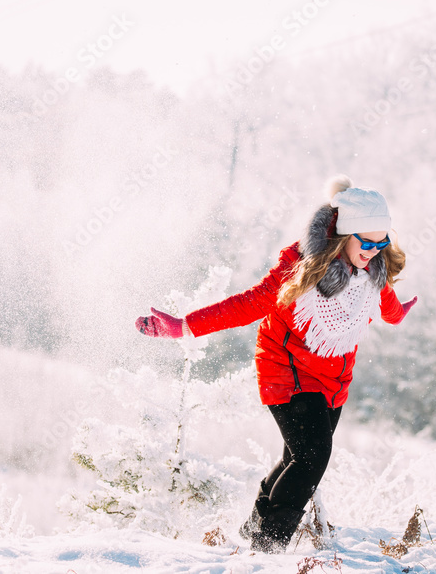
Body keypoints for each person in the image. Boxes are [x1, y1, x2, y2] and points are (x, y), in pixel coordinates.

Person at [134, 175, 417, 553]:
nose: (374, 249)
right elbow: (249, 303)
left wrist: (400, 314)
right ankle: (267, 550)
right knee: (312, 457)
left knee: (295, 457)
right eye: (366, 241)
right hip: (285, 371)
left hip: (333, 380)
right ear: (343, 234)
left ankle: (252, 532)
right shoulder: (301, 265)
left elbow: (388, 305)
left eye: (382, 241)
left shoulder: (373, 270)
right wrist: (185, 326)